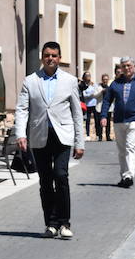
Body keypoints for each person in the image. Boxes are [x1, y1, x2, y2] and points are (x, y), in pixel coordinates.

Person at [14, 42, 84, 239]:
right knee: (45, 181)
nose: (50, 58)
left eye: (54, 55)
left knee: (61, 176)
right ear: (42, 58)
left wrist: (80, 143)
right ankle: (51, 224)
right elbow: (22, 109)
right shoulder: (31, 80)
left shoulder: (69, 81)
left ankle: (64, 223)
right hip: (39, 136)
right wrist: (21, 134)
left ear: (59, 58)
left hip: (62, 135)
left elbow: (77, 113)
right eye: (47, 55)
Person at [100, 57, 135, 188]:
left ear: (134, 66)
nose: (126, 68)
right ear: (121, 68)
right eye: (124, 66)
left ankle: (129, 175)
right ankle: (124, 175)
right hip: (118, 120)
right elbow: (107, 100)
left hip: (134, 119)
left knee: (131, 147)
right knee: (121, 150)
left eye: (129, 65)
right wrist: (103, 116)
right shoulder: (115, 84)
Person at [80, 71, 101, 141]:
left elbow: (97, 91)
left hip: (94, 104)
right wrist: (91, 94)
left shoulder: (93, 84)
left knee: (97, 120)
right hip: (87, 105)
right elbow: (84, 95)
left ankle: (98, 135)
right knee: (87, 121)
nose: (89, 77)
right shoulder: (82, 85)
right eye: (87, 75)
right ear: (84, 77)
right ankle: (88, 135)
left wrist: (91, 93)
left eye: (89, 75)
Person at [96, 73, 112, 141]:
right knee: (99, 123)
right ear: (102, 80)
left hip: (108, 108)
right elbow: (94, 96)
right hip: (99, 107)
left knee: (108, 123)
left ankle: (108, 136)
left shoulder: (110, 88)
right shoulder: (98, 87)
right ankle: (100, 137)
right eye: (104, 79)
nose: (105, 81)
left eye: (106, 79)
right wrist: (101, 92)